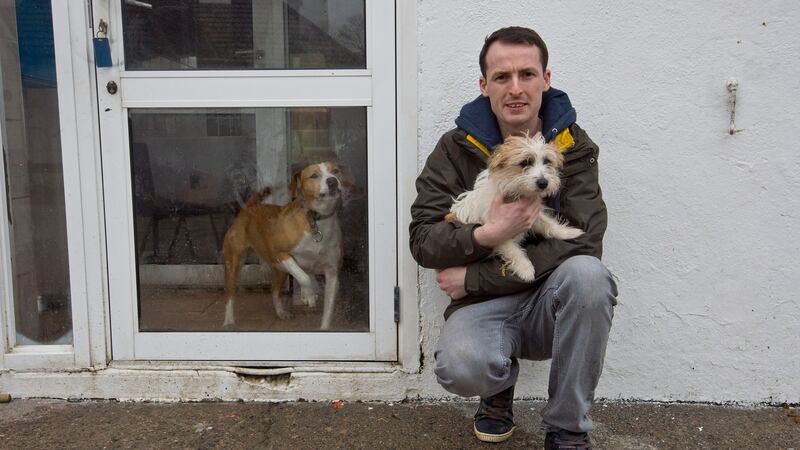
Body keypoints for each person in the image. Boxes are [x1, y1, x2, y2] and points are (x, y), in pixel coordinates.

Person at [409, 26, 618, 449]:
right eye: (502, 77)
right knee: (462, 366)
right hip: (485, 308)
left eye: (527, 73)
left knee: (590, 278)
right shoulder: (454, 149)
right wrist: (489, 233)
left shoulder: (573, 147)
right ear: (484, 85)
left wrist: (472, 279)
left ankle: (567, 430)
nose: (516, 88)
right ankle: (496, 388)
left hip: (542, 299)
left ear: (546, 79)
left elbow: (584, 241)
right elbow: (424, 241)